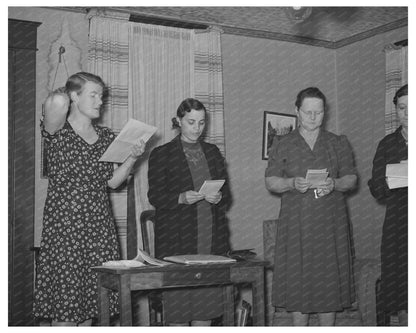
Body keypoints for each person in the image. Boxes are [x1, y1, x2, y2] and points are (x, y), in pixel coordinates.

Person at [33, 72, 146, 326]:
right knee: (65, 310)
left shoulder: (106, 137)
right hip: (65, 231)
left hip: (99, 229)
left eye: (102, 96)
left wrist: (133, 157)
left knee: (93, 309)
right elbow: (56, 104)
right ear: (74, 96)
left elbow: (113, 182)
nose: (100, 101)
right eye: (93, 95)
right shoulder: (57, 130)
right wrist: (69, 90)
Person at [265, 87, 357, 326]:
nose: (313, 117)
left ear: (324, 113)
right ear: (297, 111)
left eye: (318, 112)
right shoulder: (283, 143)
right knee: (298, 282)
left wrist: (334, 183)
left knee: (329, 284)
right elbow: (271, 181)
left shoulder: (338, 142)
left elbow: (351, 179)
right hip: (296, 224)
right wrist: (291, 183)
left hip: (330, 224)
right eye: (308, 112)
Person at [147, 98, 231, 326]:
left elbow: (228, 196)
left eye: (202, 123)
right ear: (179, 121)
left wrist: (219, 197)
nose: (197, 128)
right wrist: (181, 197)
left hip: (210, 238)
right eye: (191, 122)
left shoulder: (213, 152)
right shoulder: (161, 154)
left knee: (206, 310)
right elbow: (154, 196)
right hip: (177, 239)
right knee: (178, 312)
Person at [368, 84, 408, 326]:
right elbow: (376, 189)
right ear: (396, 110)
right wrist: (391, 179)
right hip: (398, 226)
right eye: (402, 107)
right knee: (402, 293)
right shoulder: (387, 144)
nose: (407, 113)